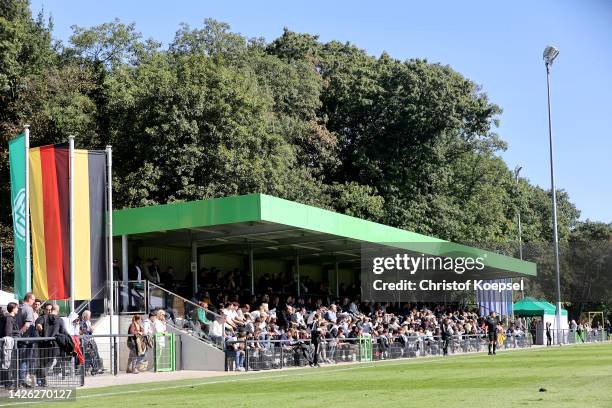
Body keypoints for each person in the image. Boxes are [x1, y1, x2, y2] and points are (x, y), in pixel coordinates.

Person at [16, 292, 36, 387]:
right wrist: (20, 334)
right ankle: (23, 381)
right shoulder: (28, 308)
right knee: (24, 360)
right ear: (29, 299)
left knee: (21, 360)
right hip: (26, 339)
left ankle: (21, 380)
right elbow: (27, 325)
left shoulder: (18, 308)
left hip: (20, 339)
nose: (34, 301)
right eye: (33, 299)